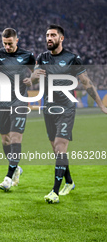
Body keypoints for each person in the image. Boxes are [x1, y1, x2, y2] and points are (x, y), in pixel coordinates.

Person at [31, 24, 107, 203]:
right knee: (57, 151)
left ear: (61, 38)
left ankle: (54, 192)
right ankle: (70, 182)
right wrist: (34, 77)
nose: (49, 38)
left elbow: (86, 83)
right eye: (47, 35)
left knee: (60, 146)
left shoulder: (72, 59)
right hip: (48, 108)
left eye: (53, 35)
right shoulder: (42, 57)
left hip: (66, 108)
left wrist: (101, 104)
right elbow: (32, 79)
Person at [0, 28, 35, 191]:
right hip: (3, 102)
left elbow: (39, 73)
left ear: (17, 40)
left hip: (20, 101)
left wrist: (31, 79)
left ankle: (8, 177)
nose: (7, 47)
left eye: (10, 44)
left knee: (15, 138)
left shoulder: (27, 56)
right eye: (5, 44)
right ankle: (16, 168)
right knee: (5, 140)